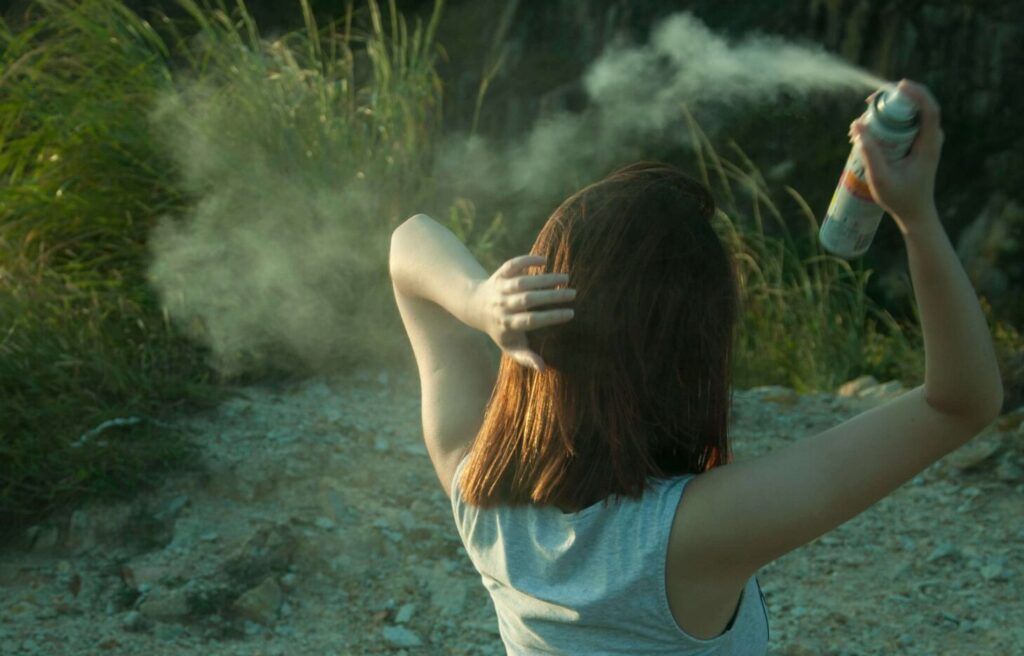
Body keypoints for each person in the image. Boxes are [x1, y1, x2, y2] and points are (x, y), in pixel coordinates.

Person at [388, 79, 1003, 655]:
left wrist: (476, 299)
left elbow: (409, 242)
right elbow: (960, 402)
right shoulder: (693, 535)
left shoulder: (476, 485)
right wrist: (915, 217)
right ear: (692, 359)